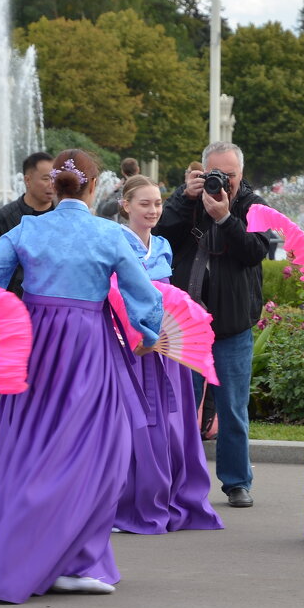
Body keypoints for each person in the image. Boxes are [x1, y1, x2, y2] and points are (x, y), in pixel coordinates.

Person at [0, 149, 162, 602]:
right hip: (86, 350)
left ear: (53, 186)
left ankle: (31, 548)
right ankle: (78, 557)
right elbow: (143, 295)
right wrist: (149, 333)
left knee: (29, 446)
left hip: (33, 347)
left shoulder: (26, 228)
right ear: (96, 187)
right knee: (97, 453)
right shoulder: (109, 235)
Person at [155, 142, 271, 508]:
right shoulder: (186, 201)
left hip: (233, 324)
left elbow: (256, 252)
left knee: (233, 407)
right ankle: (177, 477)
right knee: (180, 406)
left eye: (230, 175)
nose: (222, 181)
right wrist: (181, 198)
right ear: (202, 172)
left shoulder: (254, 206)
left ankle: (236, 482)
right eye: (214, 174)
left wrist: (224, 218)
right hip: (187, 325)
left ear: (241, 174)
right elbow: (158, 235)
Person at [113, 175, 223, 534]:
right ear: (126, 205)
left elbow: (169, 299)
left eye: (157, 204)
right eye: (144, 204)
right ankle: (128, 500)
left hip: (165, 347)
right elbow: (111, 296)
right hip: (129, 344)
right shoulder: (114, 243)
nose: (153, 210)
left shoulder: (162, 246)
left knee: (172, 423)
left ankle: (171, 494)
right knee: (130, 425)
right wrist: (134, 333)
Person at [0, 151, 55, 298]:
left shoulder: (61, 215)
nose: (52, 184)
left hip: (52, 303)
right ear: (27, 180)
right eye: (46, 178)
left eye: (55, 178)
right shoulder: (4, 217)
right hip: (13, 304)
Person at [96, 157, 140, 223]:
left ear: (122, 171)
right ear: (138, 169)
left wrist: (114, 191)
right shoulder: (145, 187)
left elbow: (106, 210)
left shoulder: (123, 190)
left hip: (126, 227)